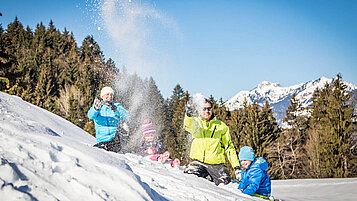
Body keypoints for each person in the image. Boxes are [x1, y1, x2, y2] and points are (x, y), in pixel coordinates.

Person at [183, 98, 241, 185]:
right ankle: (207, 177)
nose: (207, 111)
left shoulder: (221, 126)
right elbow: (188, 125)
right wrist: (188, 114)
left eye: (209, 108)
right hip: (198, 163)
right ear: (199, 110)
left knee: (226, 185)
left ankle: (209, 177)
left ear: (212, 109)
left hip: (217, 166)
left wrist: (236, 167)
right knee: (190, 178)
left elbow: (229, 148)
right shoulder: (196, 123)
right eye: (204, 109)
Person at [87, 86, 129, 152]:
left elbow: (126, 116)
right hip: (102, 140)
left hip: (115, 139)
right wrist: (95, 109)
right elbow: (90, 116)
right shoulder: (99, 108)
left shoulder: (117, 106)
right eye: (107, 94)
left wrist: (115, 109)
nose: (110, 96)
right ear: (102, 96)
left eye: (111, 95)